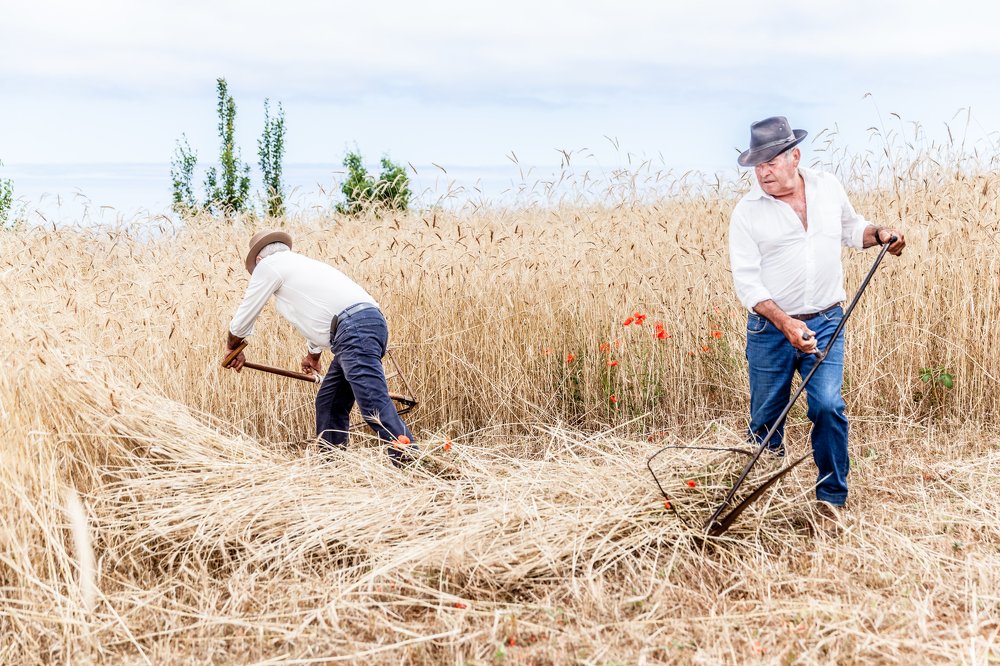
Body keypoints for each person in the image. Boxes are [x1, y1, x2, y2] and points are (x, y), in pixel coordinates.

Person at [728, 116, 905, 525]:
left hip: (827, 319)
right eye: (757, 164)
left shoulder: (827, 187)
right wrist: (785, 323)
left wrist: (880, 234)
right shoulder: (747, 212)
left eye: (771, 161)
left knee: (827, 406)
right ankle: (761, 505)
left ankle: (830, 502)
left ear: (795, 156)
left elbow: (851, 229)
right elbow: (747, 282)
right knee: (766, 420)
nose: (763, 172)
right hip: (770, 329)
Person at [223, 230, 415, 464]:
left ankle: (411, 459)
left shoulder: (268, 266)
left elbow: (244, 316)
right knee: (330, 400)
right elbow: (318, 315)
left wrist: (233, 346)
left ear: (260, 260)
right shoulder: (305, 265)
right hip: (364, 326)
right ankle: (331, 466)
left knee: (372, 402)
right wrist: (313, 356)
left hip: (353, 331)